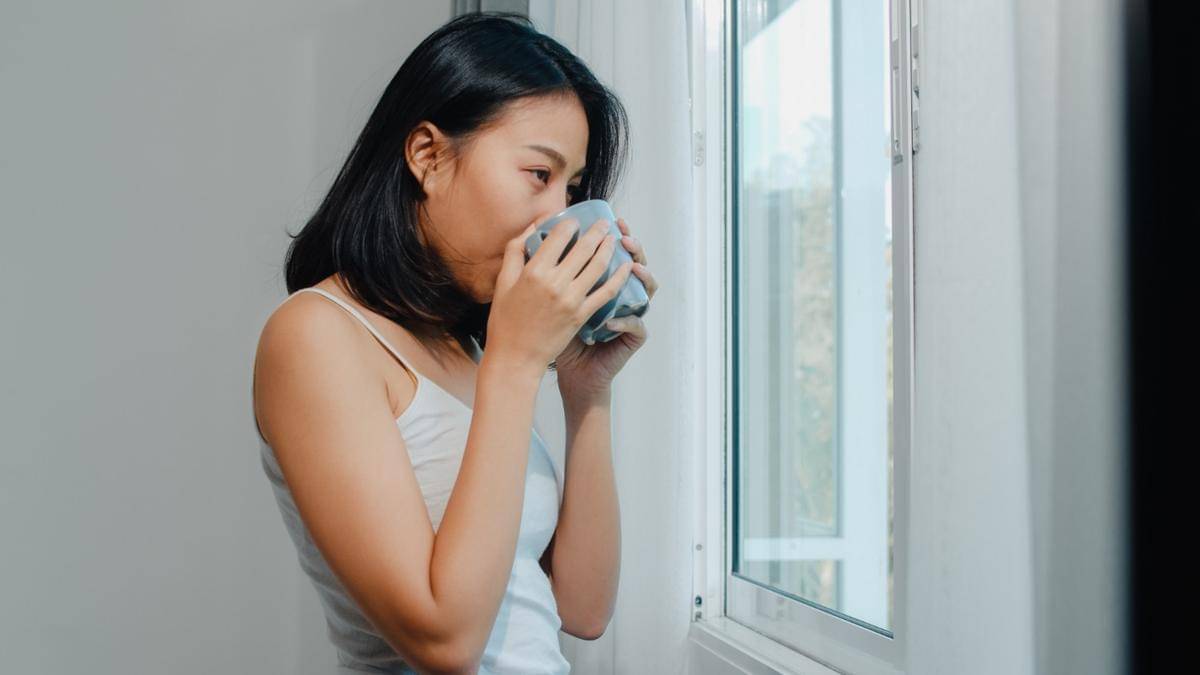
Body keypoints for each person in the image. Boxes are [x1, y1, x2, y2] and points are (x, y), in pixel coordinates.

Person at [251, 11, 658, 674]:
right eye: (539, 173)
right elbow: (445, 642)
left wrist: (586, 392)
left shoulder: (465, 349)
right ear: (428, 156)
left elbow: (582, 610)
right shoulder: (314, 335)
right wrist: (516, 363)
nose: (558, 214)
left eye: (573, 188)